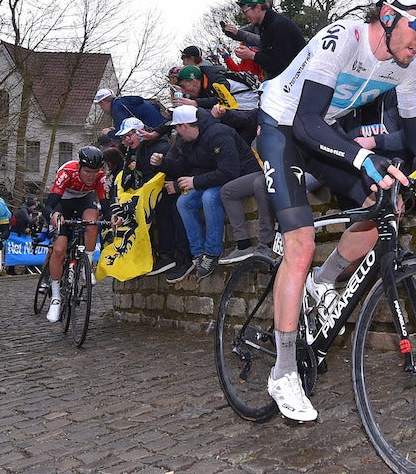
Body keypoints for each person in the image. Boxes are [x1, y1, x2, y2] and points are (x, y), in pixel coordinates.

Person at [256, 0, 416, 422]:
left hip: (321, 130)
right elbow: (305, 121)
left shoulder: (403, 67)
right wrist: (362, 159)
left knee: (386, 202)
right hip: (283, 126)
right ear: (387, 14)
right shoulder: (342, 38)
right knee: (300, 245)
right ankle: (283, 371)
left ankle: (324, 284)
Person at [150, 106, 259, 282]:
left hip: (239, 176)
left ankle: (212, 252)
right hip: (214, 177)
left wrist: (194, 182)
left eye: (177, 128)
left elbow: (229, 171)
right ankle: (198, 253)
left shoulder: (218, 134)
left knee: (209, 197)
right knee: (183, 203)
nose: (176, 132)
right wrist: (162, 164)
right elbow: (183, 167)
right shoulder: (188, 141)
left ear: (185, 125)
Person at [115, 116, 190, 278]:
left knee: (169, 210)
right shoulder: (138, 150)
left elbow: (174, 167)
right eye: (123, 138)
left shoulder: (160, 146)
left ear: (140, 132)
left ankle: (178, 256)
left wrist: (174, 185)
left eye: (129, 136)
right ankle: (162, 254)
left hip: (174, 188)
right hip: (157, 192)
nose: (126, 141)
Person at [41, 146, 109, 322]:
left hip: (84, 201)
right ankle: (56, 298)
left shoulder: (100, 176)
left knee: (93, 222)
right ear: (79, 166)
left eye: (94, 172)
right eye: (87, 171)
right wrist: (54, 215)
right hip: (62, 203)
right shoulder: (67, 172)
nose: (90, 176)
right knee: (59, 250)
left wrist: (113, 217)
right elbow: (48, 206)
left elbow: (106, 205)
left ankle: (86, 262)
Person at [231, 0, 306, 81]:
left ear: (258, 8)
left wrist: (252, 55)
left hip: (296, 81)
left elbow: (280, 64)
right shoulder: (265, 26)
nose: (243, 16)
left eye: (245, 11)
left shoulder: (278, 26)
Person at [93, 88, 165, 133]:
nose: (102, 109)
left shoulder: (117, 107)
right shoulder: (123, 102)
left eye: (100, 105)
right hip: (161, 128)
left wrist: (109, 132)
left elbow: (124, 134)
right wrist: (115, 129)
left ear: (103, 102)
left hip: (155, 133)